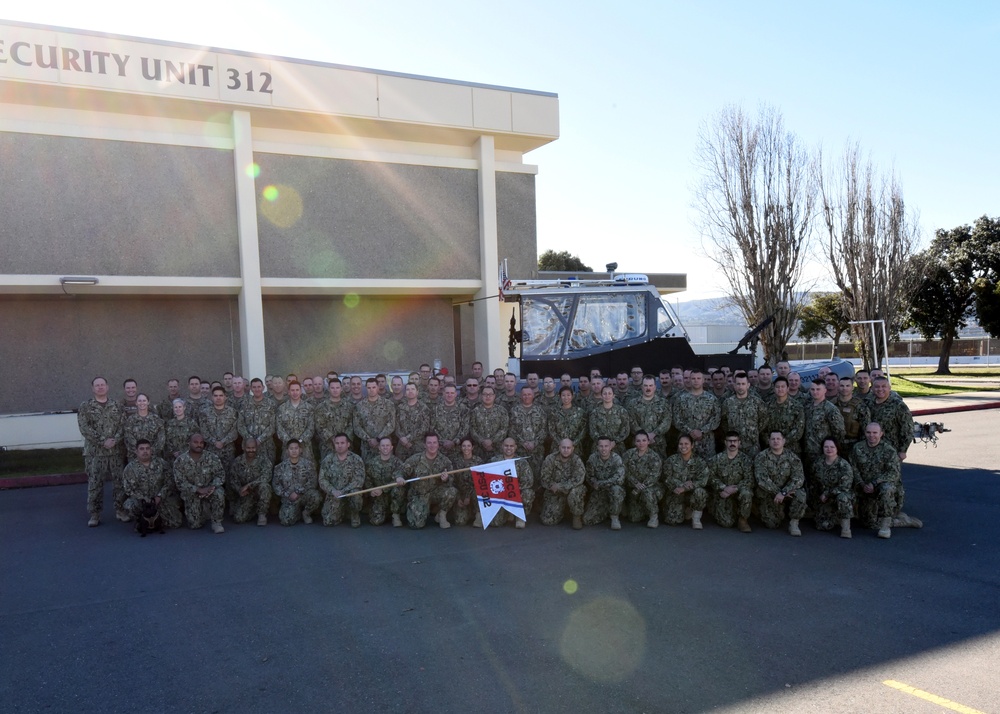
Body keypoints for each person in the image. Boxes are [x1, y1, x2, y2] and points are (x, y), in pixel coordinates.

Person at [78, 376, 125, 526]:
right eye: (97, 385)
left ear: (107, 387)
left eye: (102, 385)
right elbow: (84, 428)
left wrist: (115, 440)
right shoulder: (85, 406)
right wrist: (102, 441)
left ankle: (120, 510)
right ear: (93, 389)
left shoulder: (116, 405)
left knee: (119, 483)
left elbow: (123, 425)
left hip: (116, 451)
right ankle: (95, 514)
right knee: (95, 483)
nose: (100, 387)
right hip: (95, 453)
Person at [851, 422, 903, 539]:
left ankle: (886, 526)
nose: (871, 435)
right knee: (868, 523)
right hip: (864, 487)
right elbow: (853, 468)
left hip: (879, 487)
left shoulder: (888, 450)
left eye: (875, 433)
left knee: (887, 488)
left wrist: (875, 483)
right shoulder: (858, 448)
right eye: (868, 432)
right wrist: (862, 483)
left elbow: (893, 473)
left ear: (881, 434)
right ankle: (899, 520)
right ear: (865, 433)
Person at [395, 433, 456, 529]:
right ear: (424, 444)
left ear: (438, 444)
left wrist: (446, 479)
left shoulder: (445, 461)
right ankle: (421, 509)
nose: (432, 445)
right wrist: (400, 477)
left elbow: (451, 479)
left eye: (434, 443)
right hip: (419, 494)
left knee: (452, 491)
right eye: (429, 443)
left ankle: (441, 514)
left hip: (436, 492)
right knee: (416, 524)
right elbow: (401, 471)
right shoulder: (415, 459)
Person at [121, 438, 183, 528]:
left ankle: (156, 520)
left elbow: (170, 481)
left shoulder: (161, 463)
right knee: (130, 505)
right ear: (136, 451)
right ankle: (142, 520)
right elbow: (129, 489)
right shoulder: (130, 468)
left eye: (147, 448)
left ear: (151, 450)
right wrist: (145, 499)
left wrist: (160, 496)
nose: (145, 451)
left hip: (160, 499)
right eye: (142, 449)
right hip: (142, 502)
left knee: (176, 523)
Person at [754, 431, 806, 536]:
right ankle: (778, 511)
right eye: (773, 439)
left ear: (783, 441)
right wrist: (778, 492)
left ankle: (794, 523)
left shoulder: (792, 457)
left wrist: (783, 492)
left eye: (778, 439)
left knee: (801, 494)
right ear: (768, 441)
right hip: (770, 493)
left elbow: (798, 478)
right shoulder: (761, 457)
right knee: (772, 524)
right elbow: (761, 479)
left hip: (787, 492)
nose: (775, 441)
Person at [172, 433, 226, 533]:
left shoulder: (212, 457)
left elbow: (220, 474)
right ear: (189, 443)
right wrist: (197, 489)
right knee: (195, 525)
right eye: (195, 442)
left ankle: (216, 522)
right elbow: (180, 482)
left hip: (210, 490)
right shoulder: (180, 461)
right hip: (192, 493)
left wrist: (212, 487)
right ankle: (204, 510)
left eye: (201, 443)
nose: (199, 445)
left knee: (219, 492)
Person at [707, 432, 754, 533]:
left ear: (739, 443)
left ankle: (743, 520)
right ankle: (717, 509)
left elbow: (749, 479)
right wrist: (723, 487)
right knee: (726, 523)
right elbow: (711, 477)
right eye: (730, 441)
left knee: (747, 493)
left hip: (739, 491)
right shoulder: (716, 459)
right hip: (722, 493)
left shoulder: (746, 460)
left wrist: (735, 489)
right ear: (725, 442)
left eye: (735, 441)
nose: (732, 443)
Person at [318, 433, 366, 527]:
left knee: (356, 495)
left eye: (342, 443)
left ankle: (354, 514)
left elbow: (359, 480)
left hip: (350, 493)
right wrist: (333, 490)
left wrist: (343, 491)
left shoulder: (356, 459)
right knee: (328, 521)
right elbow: (322, 479)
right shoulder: (328, 460)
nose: (339, 445)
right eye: (337, 443)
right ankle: (341, 512)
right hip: (335, 494)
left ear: (348, 444)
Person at [662, 433, 709, 528]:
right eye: (681, 444)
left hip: (692, 493)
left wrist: (686, 488)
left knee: (700, 492)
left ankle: (696, 518)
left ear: (692, 445)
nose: (683, 446)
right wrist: (681, 485)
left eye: (686, 444)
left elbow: (703, 480)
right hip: (676, 492)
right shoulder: (671, 460)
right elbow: (666, 477)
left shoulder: (699, 462)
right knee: (672, 520)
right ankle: (686, 510)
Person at [272, 439, 322, 526]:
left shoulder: (308, 465)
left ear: (300, 450)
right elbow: (276, 485)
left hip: (304, 495)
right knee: (286, 521)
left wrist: (299, 492)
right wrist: (288, 494)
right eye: (291, 449)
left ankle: (306, 512)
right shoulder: (280, 467)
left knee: (316, 496)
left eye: (296, 448)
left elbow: (313, 482)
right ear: (287, 451)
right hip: (289, 498)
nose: (294, 451)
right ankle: (297, 512)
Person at [811, 437, 855, 538]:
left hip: (841, 495)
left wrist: (827, 493)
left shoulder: (844, 465)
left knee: (843, 498)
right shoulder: (817, 463)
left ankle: (846, 528)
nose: (829, 449)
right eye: (826, 446)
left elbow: (845, 486)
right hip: (824, 499)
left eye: (832, 447)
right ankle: (835, 516)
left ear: (837, 448)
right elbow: (813, 483)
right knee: (822, 526)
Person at [672, 370, 721, 459]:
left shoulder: (712, 399)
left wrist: (702, 431)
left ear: (703, 380)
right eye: (693, 378)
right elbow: (677, 419)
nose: (696, 380)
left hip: (706, 442)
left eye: (698, 378)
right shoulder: (681, 399)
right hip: (686, 441)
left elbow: (716, 419)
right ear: (690, 380)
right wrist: (690, 431)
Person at [539, 438, 587, 529]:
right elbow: (544, 478)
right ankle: (562, 510)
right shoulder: (550, 459)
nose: (566, 450)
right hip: (555, 492)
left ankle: (576, 516)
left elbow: (579, 479)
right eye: (563, 447)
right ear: (559, 447)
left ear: (572, 448)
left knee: (576, 491)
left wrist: (561, 486)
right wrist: (551, 486)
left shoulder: (577, 460)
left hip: (571, 490)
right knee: (547, 520)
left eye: (568, 448)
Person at [489, 437, 534, 528]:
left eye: (511, 446)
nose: (508, 448)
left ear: (515, 447)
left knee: (528, 493)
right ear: (502, 446)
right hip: (500, 495)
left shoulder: (521, 462)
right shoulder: (494, 461)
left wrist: (512, 488)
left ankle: (520, 516)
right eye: (506, 446)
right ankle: (508, 513)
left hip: (516, 493)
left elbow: (529, 481)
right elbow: (488, 479)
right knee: (496, 523)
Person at [227, 438, 273, 526]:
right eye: (248, 448)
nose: (251, 450)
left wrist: (249, 485)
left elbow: (267, 476)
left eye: (253, 448)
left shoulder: (263, 460)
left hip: (258, 491)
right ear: (243, 447)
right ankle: (253, 508)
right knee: (238, 519)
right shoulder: (237, 462)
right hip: (246, 494)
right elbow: (233, 480)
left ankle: (262, 514)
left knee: (265, 486)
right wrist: (239, 490)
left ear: (256, 447)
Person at [583, 436, 626, 530]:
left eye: (606, 446)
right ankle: (606, 509)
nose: (603, 449)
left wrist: (600, 483)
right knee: (587, 520)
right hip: (599, 491)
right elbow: (589, 476)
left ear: (611, 446)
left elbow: (619, 479)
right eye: (601, 446)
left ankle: (615, 516)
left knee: (617, 490)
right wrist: (594, 482)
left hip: (612, 490)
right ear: (597, 447)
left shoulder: (616, 459)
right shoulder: (592, 458)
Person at [623, 430, 663, 528]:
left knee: (647, 493)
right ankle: (643, 507)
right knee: (634, 518)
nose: (641, 443)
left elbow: (654, 476)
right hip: (634, 487)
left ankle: (653, 516)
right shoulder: (628, 454)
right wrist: (635, 483)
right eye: (638, 441)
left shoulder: (654, 457)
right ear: (634, 442)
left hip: (650, 488)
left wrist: (640, 487)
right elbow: (624, 470)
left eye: (644, 440)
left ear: (648, 442)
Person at [721, 372, 766, 458]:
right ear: (734, 385)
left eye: (743, 384)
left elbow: (764, 419)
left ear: (748, 385)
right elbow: (724, 421)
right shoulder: (727, 403)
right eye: (738, 384)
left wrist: (753, 431)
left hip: (752, 446)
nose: (740, 387)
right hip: (733, 445)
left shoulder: (757, 402)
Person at [869, 377, 913, 462]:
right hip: (870, 450)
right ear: (872, 389)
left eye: (883, 386)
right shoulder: (868, 403)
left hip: (891, 451)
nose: (880, 389)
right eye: (877, 387)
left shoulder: (899, 406)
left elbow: (907, 429)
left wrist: (903, 450)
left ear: (889, 388)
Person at [365, 436, 406, 527]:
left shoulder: (398, 463)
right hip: (378, 496)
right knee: (376, 521)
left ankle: (395, 514)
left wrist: (383, 489)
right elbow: (367, 479)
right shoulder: (371, 463)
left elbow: (398, 478)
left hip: (392, 494)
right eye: (383, 445)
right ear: (379, 447)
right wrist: (371, 490)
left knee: (398, 489)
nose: (385, 447)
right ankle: (385, 512)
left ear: (391, 447)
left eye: (387, 445)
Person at [199, 386, 239, 475]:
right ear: (212, 397)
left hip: (228, 451)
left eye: (221, 395)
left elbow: (235, 430)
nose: (218, 398)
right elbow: (203, 431)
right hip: (211, 450)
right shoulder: (205, 413)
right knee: (211, 475)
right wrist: (214, 442)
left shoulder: (232, 412)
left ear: (225, 397)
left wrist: (223, 442)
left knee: (229, 476)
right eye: (215, 396)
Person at [628, 376, 672, 459]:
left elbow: (667, 421)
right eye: (645, 385)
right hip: (638, 444)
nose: (648, 388)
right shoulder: (633, 403)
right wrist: (643, 436)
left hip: (657, 442)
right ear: (642, 387)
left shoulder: (663, 403)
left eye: (651, 385)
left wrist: (654, 434)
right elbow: (631, 421)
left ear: (655, 387)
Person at [354, 377, 396, 461]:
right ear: (366, 388)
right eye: (369, 388)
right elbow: (356, 426)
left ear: (377, 387)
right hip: (367, 447)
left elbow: (391, 424)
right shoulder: (359, 406)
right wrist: (368, 439)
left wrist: (378, 439)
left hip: (384, 446)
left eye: (373, 387)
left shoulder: (388, 404)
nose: (371, 390)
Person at [239, 378, 277, 466]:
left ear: (263, 388)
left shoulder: (271, 404)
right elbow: (240, 425)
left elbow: (273, 425)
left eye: (259, 387)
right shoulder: (244, 404)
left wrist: (260, 440)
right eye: (254, 387)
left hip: (266, 446)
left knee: (268, 470)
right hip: (248, 447)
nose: (257, 389)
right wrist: (250, 440)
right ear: (251, 389)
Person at [276, 381, 315, 460]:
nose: (295, 392)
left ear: (301, 391)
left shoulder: (309, 408)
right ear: (289, 392)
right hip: (288, 448)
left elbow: (311, 427)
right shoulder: (282, 408)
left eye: (297, 390)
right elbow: (279, 428)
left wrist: (300, 441)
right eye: (292, 390)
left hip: (304, 448)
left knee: (306, 470)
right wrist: (290, 442)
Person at [588, 385, 630, 455]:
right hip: (600, 448)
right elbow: (592, 431)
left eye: (609, 393)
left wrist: (615, 441)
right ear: (601, 396)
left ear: (613, 396)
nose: (607, 396)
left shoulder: (622, 411)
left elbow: (625, 429)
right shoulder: (595, 412)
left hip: (617, 447)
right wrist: (603, 443)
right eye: (604, 393)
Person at [470, 385, 508, 461]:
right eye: (485, 394)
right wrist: (482, 441)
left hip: (497, 450)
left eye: (490, 394)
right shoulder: (475, 411)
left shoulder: (502, 411)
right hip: (479, 451)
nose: (487, 396)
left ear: (494, 396)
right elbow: (472, 429)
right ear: (481, 396)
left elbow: (504, 429)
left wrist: (492, 441)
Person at [431, 384, 469, 461]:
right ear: (443, 394)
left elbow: (465, 428)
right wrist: (442, 441)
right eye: (447, 393)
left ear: (455, 394)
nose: (449, 395)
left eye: (452, 393)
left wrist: (454, 442)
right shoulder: (435, 409)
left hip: (458, 450)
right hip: (439, 449)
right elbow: (432, 428)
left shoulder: (463, 409)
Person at [451, 437, 483, 527]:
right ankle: (469, 512)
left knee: (478, 491)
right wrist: (458, 498)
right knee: (460, 521)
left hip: (474, 492)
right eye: (464, 446)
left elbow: (481, 482)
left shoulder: (478, 461)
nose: (466, 448)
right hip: (460, 493)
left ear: (472, 447)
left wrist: (468, 496)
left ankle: (478, 514)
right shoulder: (455, 461)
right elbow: (452, 481)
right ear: (461, 447)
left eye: (469, 446)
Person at [124, 393, 165, 462]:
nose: (142, 403)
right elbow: (128, 437)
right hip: (135, 457)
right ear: (136, 403)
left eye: (144, 400)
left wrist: (151, 451)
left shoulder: (156, 419)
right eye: (139, 401)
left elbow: (161, 437)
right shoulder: (130, 420)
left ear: (148, 402)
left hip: (153, 457)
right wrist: (139, 452)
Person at [395, 382, 430, 461]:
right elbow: (396, 425)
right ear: (405, 393)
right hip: (402, 446)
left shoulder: (424, 408)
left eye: (413, 389)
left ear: (417, 392)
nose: (410, 391)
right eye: (408, 389)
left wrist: (408, 438)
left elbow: (424, 427)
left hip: (417, 446)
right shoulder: (400, 407)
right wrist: (402, 438)